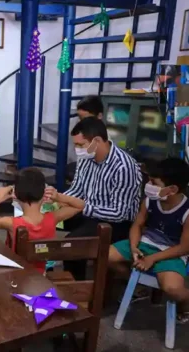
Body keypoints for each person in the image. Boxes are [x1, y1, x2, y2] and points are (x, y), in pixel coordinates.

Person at [45, 117, 142, 279]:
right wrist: (56, 200)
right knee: (42, 219)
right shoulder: (86, 158)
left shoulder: (123, 167)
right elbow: (77, 189)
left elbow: (119, 213)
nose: (77, 150)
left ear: (96, 141)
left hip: (115, 222)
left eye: (80, 145)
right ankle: (43, 268)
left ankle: (77, 289)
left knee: (72, 244)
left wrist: (82, 206)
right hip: (88, 211)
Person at [108, 158, 189, 322]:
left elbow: (185, 247)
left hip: (172, 253)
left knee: (172, 289)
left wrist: (152, 259)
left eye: (154, 182)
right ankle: (139, 286)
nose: (148, 185)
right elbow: (137, 225)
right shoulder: (149, 200)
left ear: (172, 189)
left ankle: (188, 300)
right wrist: (134, 247)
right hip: (145, 244)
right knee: (106, 256)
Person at [0, 168, 80, 273]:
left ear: (16, 195)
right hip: (41, 276)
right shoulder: (53, 218)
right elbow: (80, 206)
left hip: (16, 275)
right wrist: (58, 197)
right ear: (44, 193)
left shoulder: (11, 223)